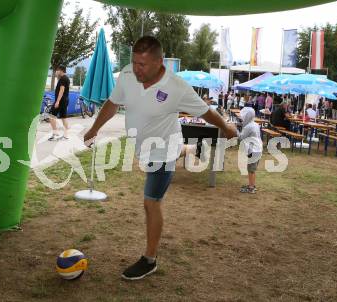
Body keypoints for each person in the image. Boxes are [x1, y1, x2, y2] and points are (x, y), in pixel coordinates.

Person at [83, 36, 237, 281]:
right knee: (150, 198)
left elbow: (206, 112)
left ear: (159, 62)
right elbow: (112, 104)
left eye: (142, 64)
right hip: (143, 148)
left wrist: (227, 128)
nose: (136, 69)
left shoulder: (176, 87)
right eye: (134, 62)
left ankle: (149, 260)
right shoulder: (126, 76)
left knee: (151, 202)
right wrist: (94, 129)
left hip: (165, 149)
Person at [237, 107, 262, 194]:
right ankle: (252, 185)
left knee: (251, 170)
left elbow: (241, 137)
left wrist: (235, 129)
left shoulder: (248, 126)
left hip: (253, 150)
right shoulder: (255, 124)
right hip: (258, 149)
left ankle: (251, 188)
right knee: (252, 169)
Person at [48, 65, 70, 140]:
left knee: (51, 115)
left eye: (57, 70)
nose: (56, 72)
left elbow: (62, 90)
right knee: (64, 117)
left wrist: (57, 101)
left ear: (61, 70)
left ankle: (55, 133)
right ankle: (66, 135)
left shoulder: (63, 79)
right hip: (64, 100)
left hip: (61, 100)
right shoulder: (65, 78)